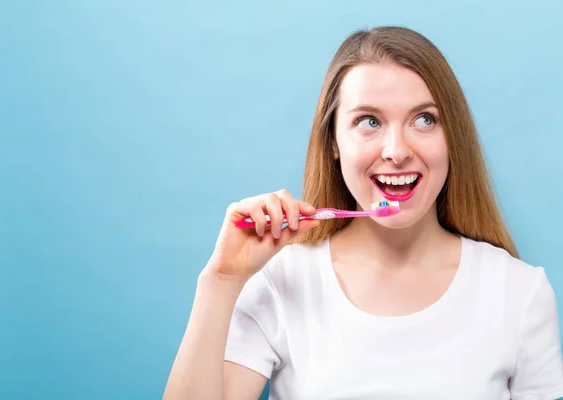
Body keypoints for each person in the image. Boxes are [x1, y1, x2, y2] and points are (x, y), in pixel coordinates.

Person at [163, 26, 563, 399]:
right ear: (333, 142)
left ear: (452, 138)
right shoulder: (281, 282)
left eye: (424, 119)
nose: (397, 150)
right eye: (369, 121)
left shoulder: (519, 293)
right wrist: (221, 281)